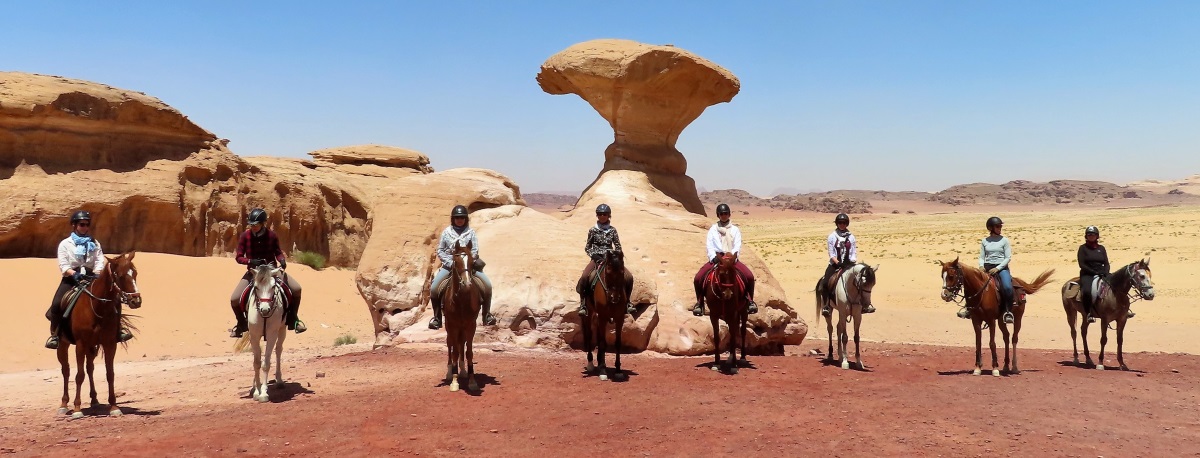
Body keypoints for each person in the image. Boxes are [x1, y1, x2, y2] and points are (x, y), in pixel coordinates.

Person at [45, 210, 133, 349]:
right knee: (56, 304)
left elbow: (99, 260)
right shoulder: (65, 244)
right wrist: (73, 273)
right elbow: (63, 264)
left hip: (92, 277)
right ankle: (55, 335)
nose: (85, 227)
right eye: (82, 224)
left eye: (87, 224)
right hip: (71, 279)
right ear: (74, 225)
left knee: (115, 301)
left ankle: (119, 330)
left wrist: (97, 273)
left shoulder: (94, 243)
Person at [228, 208, 305, 338]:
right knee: (234, 299)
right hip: (254, 272)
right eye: (251, 224)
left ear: (263, 223)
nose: (253, 227)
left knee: (297, 289)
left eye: (255, 225)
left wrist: (282, 260)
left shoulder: (272, 235)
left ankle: (294, 320)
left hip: (272, 271)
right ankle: (241, 324)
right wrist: (250, 261)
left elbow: (278, 252)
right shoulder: (245, 236)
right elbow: (238, 257)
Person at [427, 205, 496, 330]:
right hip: (450, 266)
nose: (459, 220)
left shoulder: (471, 232)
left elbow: (474, 250)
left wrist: (468, 260)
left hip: (468, 266)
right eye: (457, 218)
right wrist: (450, 263)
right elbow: (441, 250)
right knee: (434, 288)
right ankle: (437, 318)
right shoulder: (447, 233)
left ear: (465, 219)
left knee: (487, 285)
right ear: (453, 219)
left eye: (462, 218)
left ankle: (487, 315)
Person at [692, 203, 758, 316]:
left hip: (731, 258)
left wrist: (732, 257)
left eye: (726, 213)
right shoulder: (713, 229)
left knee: (749, 277)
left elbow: (737, 244)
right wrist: (713, 257)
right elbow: (709, 245)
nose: (724, 216)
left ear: (729, 214)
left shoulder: (735, 229)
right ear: (718, 215)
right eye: (721, 214)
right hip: (717, 258)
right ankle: (699, 303)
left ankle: (750, 301)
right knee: (698, 278)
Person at [575, 204, 635, 317]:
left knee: (629, 277)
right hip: (597, 259)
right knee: (584, 277)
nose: (602, 216)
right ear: (597, 215)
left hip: (611, 259)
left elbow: (618, 246)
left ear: (609, 216)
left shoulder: (612, 230)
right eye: (600, 214)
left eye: (605, 214)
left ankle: (628, 303)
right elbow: (587, 247)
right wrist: (595, 256)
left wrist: (616, 257)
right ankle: (583, 305)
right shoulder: (593, 230)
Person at [819, 213, 874, 317]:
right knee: (825, 283)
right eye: (840, 223)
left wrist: (852, 262)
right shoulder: (832, 236)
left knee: (861, 281)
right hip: (835, 264)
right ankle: (827, 306)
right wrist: (838, 263)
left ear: (847, 224)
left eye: (844, 223)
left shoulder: (851, 237)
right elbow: (831, 253)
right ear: (837, 224)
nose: (842, 225)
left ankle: (864, 305)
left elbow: (853, 251)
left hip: (849, 264)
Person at [964, 216, 1015, 323]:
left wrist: (997, 268)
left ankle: (1008, 311)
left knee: (1007, 287)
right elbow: (982, 257)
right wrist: (981, 266)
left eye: (1000, 226)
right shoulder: (985, 241)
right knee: (972, 285)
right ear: (991, 228)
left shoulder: (1004, 240)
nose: (1000, 228)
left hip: (1001, 268)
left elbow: (1008, 258)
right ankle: (969, 309)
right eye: (997, 226)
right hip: (987, 268)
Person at [1077, 225, 1129, 322]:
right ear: (1086, 236)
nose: (1091, 236)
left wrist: (1105, 271)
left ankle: (1124, 308)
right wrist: (1094, 272)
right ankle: (1089, 313)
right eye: (1089, 235)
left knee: (1118, 286)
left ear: (1097, 236)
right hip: (1087, 274)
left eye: (1093, 235)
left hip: (1102, 272)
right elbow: (1082, 264)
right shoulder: (1082, 248)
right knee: (1087, 291)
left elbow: (1106, 262)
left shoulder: (1101, 248)